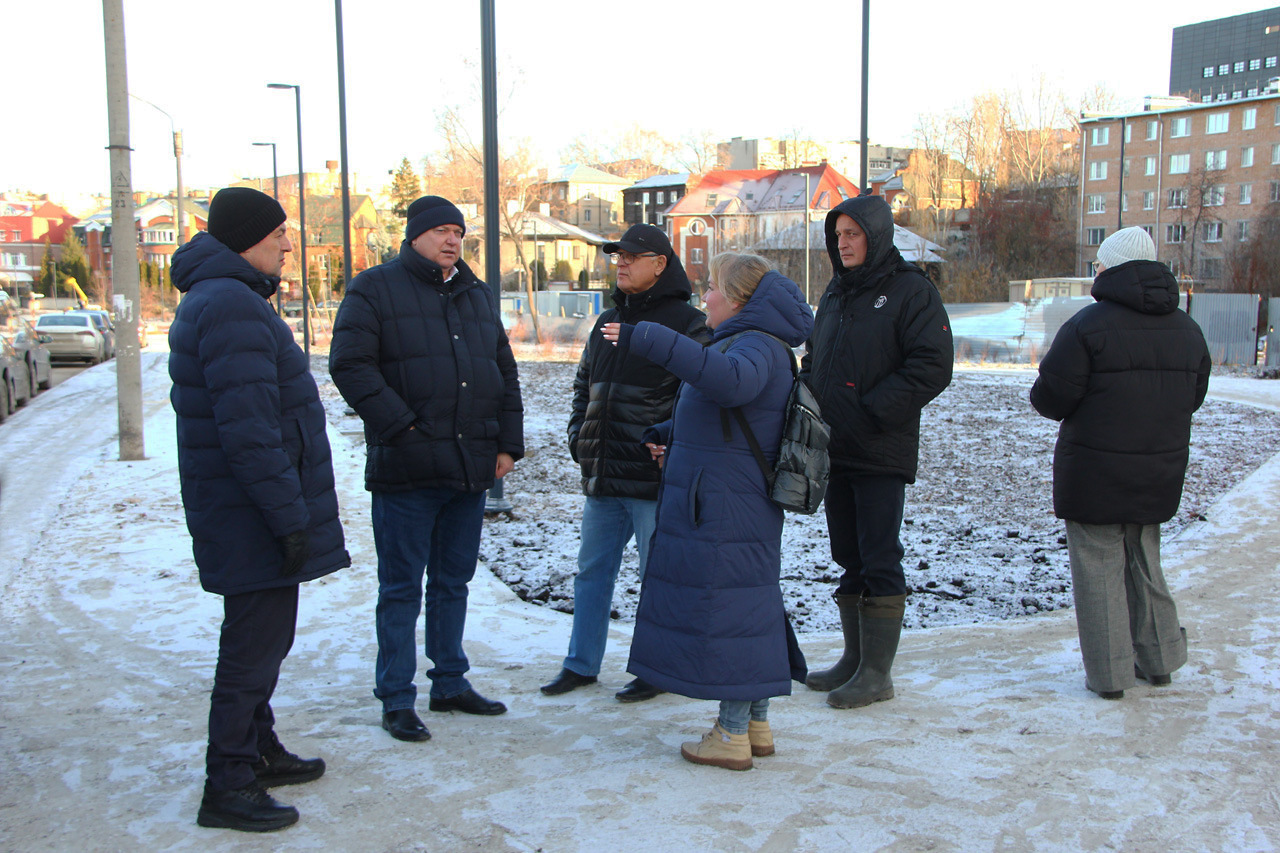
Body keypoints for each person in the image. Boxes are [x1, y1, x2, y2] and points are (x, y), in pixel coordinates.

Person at [169, 186, 351, 832]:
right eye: (277, 234)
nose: (286, 244)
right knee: (251, 649)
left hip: (243, 513)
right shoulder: (232, 307)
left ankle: (258, 749)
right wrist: (289, 518)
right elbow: (250, 434)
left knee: (264, 642)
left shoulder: (225, 299)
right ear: (247, 238)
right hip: (251, 516)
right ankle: (229, 780)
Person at [601, 252, 809, 771]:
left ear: (737, 299)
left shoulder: (757, 345)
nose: (704, 297)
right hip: (723, 496)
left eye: (711, 288)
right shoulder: (745, 342)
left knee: (735, 609)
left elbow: (730, 383)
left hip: (729, 505)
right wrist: (667, 436)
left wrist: (648, 337)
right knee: (747, 604)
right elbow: (726, 418)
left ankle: (731, 733)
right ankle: (754, 724)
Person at [329, 195, 523, 742]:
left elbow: (502, 371)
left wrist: (507, 444)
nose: (451, 240)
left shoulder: (476, 293)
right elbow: (350, 365)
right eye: (440, 230)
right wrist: (403, 430)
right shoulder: (374, 288)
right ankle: (396, 696)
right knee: (400, 589)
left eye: (458, 232)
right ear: (414, 235)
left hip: (468, 467)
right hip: (407, 470)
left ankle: (450, 682)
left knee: (453, 583)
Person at [1030, 226, 1210, 700]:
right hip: (1159, 469)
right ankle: (1161, 659)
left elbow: (1051, 398)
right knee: (1145, 561)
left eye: (1099, 265)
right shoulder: (1188, 329)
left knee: (1098, 567)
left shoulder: (1087, 326)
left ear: (1110, 269)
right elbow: (1194, 397)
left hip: (1094, 472)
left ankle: (1110, 676)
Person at [540, 224, 709, 702]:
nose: (622, 262)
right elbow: (583, 387)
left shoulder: (688, 324)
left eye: (633, 256)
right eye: (618, 256)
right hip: (602, 473)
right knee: (591, 573)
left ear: (660, 264)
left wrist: (672, 448)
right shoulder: (606, 321)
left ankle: (658, 669)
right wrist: (580, 437)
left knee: (657, 577)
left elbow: (696, 396)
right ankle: (581, 664)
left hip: (652, 478)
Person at [800, 194, 953, 710]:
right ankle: (853, 659)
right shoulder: (838, 293)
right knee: (848, 555)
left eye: (853, 234)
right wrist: (807, 397)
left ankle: (877, 674)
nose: (843, 244)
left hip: (880, 448)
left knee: (880, 556)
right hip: (833, 448)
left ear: (877, 236)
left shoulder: (912, 292)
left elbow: (932, 366)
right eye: (838, 235)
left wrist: (869, 410)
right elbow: (817, 355)